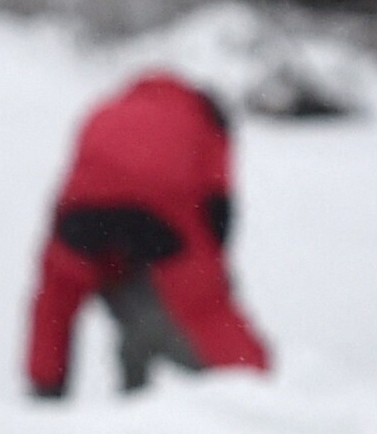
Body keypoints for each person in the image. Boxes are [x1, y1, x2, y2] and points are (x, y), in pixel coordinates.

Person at [23, 71, 275, 400]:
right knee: (205, 309)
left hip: (81, 216)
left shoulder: (104, 109)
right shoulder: (207, 119)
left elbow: (80, 176)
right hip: (160, 219)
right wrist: (211, 267)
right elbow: (218, 204)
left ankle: (45, 393)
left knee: (56, 298)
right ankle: (260, 394)